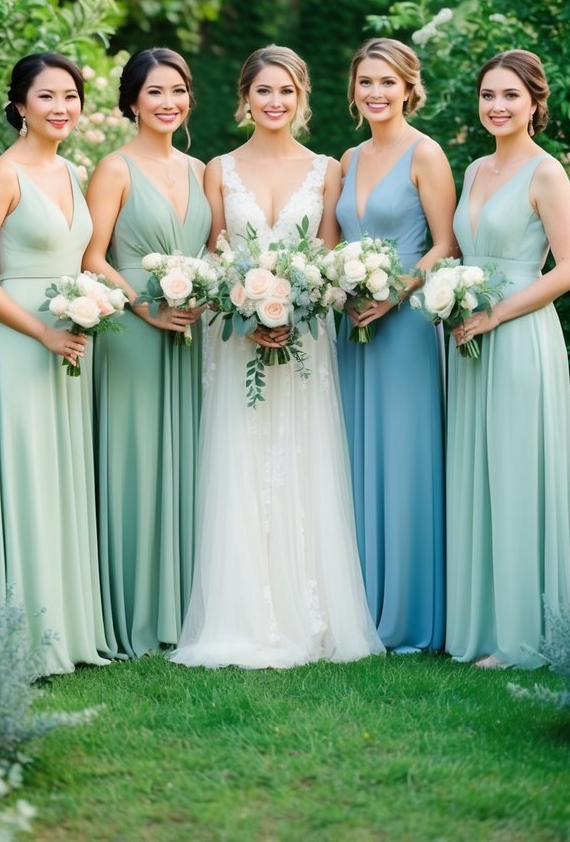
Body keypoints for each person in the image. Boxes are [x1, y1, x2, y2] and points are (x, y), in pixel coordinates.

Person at [170, 46, 383, 668]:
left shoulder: (326, 170)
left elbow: (326, 256)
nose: (275, 102)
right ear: (245, 98)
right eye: (263, 91)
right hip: (233, 337)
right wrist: (246, 304)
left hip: (307, 339)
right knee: (237, 459)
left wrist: (295, 308)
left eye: (286, 91)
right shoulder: (218, 169)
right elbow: (212, 255)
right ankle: (241, 613)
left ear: (302, 97)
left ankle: (307, 610)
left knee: (302, 456)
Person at [0, 52, 112, 676]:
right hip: (24, 339)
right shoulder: (3, 175)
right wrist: (42, 331)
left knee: (61, 473)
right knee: (25, 474)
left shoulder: (70, 172)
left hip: (69, 338)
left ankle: (68, 631)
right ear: (20, 105)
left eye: (70, 96)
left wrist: (95, 306)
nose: (61, 108)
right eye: (47, 97)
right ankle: (19, 637)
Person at [446, 49, 570, 669]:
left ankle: (525, 635)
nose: (497, 107)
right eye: (488, 96)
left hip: (520, 336)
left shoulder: (545, 172)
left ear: (534, 103)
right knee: (479, 473)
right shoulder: (475, 169)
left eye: (509, 96)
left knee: (517, 475)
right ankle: (483, 624)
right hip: (470, 336)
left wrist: (496, 314)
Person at [83, 48, 211, 657]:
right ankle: (131, 611)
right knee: (136, 462)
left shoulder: (198, 168)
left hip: (189, 331)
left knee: (185, 460)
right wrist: (143, 307)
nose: (169, 102)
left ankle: (183, 608)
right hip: (135, 330)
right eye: (156, 91)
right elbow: (92, 256)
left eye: (178, 90)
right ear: (132, 100)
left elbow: (216, 249)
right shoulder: (115, 167)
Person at [337, 38, 456, 652]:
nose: (376, 93)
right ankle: (359, 602)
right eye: (365, 82)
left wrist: (399, 289)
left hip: (405, 323)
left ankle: (410, 614)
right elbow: (335, 240)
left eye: (387, 82)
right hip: (352, 327)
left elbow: (444, 244)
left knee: (404, 460)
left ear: (410, 87)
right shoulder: (350, 157)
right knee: (355, 459)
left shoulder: (426, 153)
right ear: (354, 91)